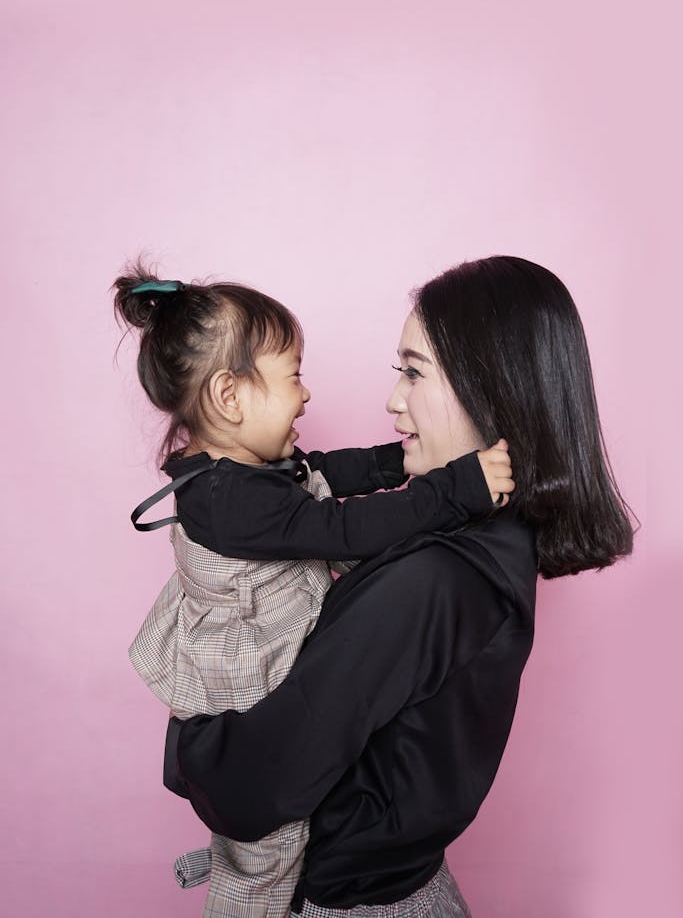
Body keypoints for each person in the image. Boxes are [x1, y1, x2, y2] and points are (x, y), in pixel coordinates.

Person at [163, 255, 634, 918]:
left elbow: (252, 790)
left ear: (490, 387)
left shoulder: (432, 579)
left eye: (413, 371)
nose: (391, 400)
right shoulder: (482, 545)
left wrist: (189, 737)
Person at [113, 265, 514, 918]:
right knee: (272, 841)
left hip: (277, 646)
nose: (304, 396)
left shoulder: (246, 473)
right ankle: (241, 881)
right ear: (229, 397)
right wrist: (452, 488)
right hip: (244, 677)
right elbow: (339, 526)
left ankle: (236, 855)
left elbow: (322, 473)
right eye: (291, 376)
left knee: (319, 481)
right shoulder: (224, 501)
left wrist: (394, 462)